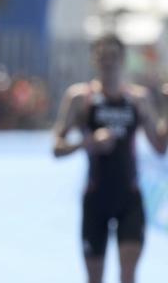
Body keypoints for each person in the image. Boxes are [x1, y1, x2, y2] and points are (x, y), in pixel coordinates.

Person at [53, 34, 168, 283]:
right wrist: (88, 142)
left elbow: (159, 147)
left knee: (128, 276)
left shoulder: (138, 99)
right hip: (96, 199)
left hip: (130, 198)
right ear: (95, 60)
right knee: (95, 279)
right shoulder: (81, 98)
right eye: (103, 57)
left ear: (123, 59)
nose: (109, 63)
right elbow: (57, 148)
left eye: (113, 57)